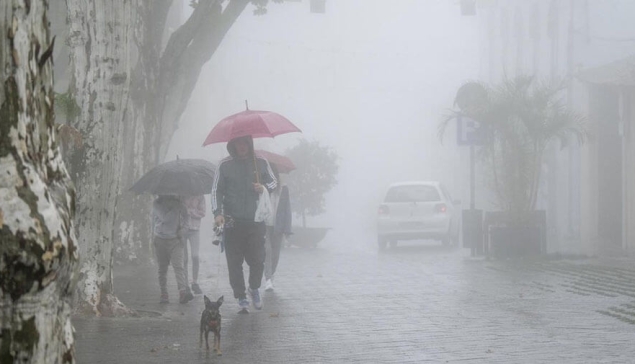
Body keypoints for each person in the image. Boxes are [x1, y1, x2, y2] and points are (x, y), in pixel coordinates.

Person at [212, 135, 277, 313]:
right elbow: (216, 190)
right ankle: (241, 296)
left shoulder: (261, 162)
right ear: (232, 144)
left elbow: (273, 181)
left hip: (256, 221)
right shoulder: (224, 165)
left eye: (244, 143)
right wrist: (217, 213)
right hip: (232, 222)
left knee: (258, 259)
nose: (241, 146)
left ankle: (254, 288)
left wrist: (263, 187)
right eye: (238, 143)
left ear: (249, 144)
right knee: (235, 262)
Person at [152, 195, 194, 304]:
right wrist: (175, 206)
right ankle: (164, 293)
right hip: (160, 239)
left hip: (176, 240)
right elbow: (165, 218)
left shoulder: (179, 203)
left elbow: (187, 217)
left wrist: (184, 230)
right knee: (162, 268)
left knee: (179, 266)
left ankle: (182, 292)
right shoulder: (156, 204)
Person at [264, 165, 292, 292]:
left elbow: (287, 209)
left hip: (278, 226)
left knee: (275, 254)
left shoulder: (283, 189)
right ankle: (268, 279)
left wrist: (287, 229)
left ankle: (272, 274)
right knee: (267, 251)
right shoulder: (263, 188)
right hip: (265, 225)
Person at [182, 195, 206, 295]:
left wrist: (191, 212)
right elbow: (176, 210)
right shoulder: (181, 194)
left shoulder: (200, 196)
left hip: (195, 228)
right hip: (182, 228)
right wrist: (184, 212)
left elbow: (203, 212)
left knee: (195, 256)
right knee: (184, 258)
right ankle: (185, 284)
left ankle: (195, 282)